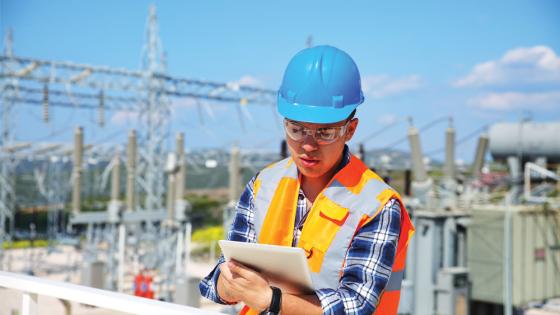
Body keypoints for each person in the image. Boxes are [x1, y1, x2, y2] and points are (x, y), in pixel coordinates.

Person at [200, 45, 414, 315]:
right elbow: (215, 282)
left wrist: (271, 300)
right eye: (297, 129)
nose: (308, 145)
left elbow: (357, 305)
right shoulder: (262, 186)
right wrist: (228, 285)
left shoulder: (377, 205)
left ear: (350, 130)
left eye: (325, 133)